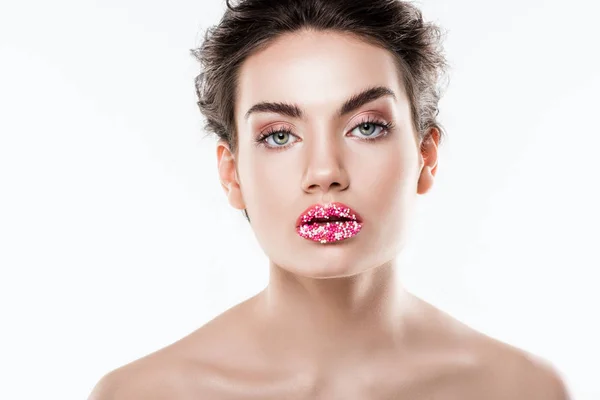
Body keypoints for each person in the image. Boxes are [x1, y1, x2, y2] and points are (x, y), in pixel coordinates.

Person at [89, 0, 570, 398]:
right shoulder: (140, 394)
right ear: (231, 173)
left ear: (426, 156)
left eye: (366, 127)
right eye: (279, 136)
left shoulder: (522, 389)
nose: (324, 172)